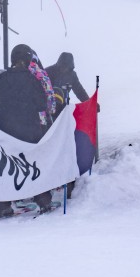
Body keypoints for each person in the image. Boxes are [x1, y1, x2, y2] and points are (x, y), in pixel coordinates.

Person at [0, 44, 55, 218]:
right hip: (30, 132)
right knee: (34, 167)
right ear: (27, 60)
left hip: (7, 132)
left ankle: (2, 206)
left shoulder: (1, 79)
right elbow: (42, 104)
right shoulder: (32, 80)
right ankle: (44, 202)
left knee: (5, 168)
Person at [46, 52, 92, 199]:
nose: (65, 69)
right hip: (48, 115)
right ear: (59, 64)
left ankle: (66, 180)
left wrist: (90, 103)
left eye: (68, 67)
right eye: (63, 67)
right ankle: (50, 180)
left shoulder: (72, 75)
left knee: (65, 146)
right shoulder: (48, 72)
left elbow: (79, 90)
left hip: (64, 114)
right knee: (51, 147)